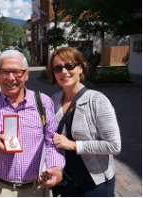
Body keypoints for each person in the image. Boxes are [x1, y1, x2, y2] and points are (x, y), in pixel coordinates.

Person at [0, 50, 65, 197]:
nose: (11, 78)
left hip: (36, 189)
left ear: (26, 74)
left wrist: (56, 168)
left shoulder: (43, 102)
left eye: (17, 72)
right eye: (5, 72)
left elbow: (52, 142)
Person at [48, 47, 121, 197]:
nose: (64, 71)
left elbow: (114, 146)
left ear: (80, 68)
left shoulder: (97, 100)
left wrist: (73, 145)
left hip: (95, 181)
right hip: (66, 180)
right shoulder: (53, 100)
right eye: (58, 68)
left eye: (69, 66)